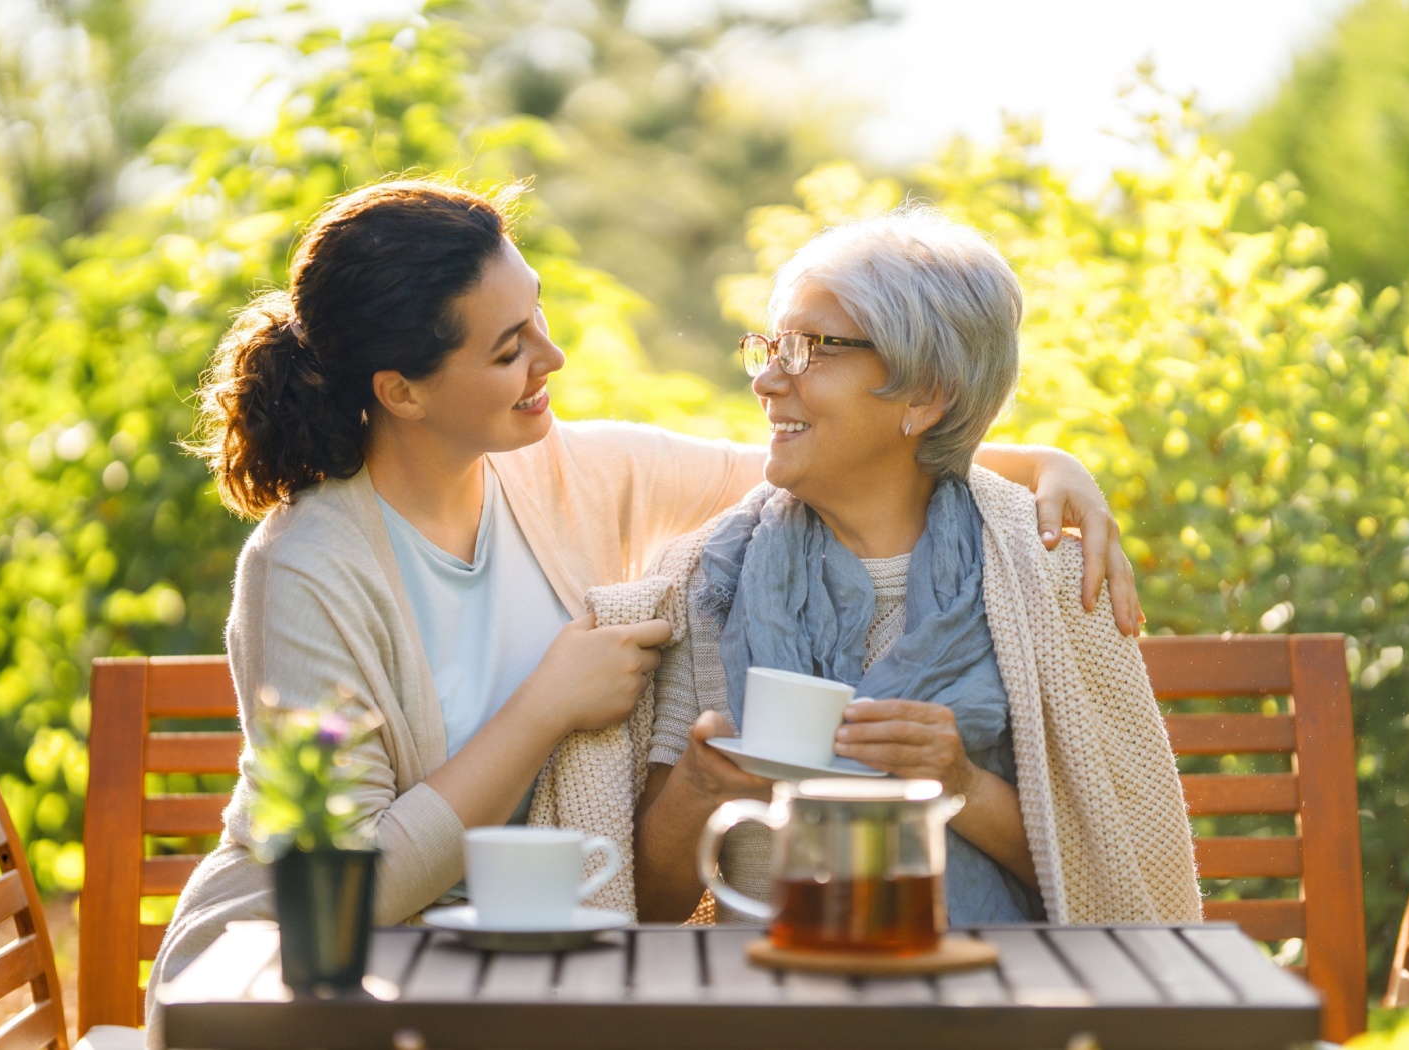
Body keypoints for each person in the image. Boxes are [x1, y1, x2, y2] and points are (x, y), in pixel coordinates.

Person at [144, 178, 1140, 1041]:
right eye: (508, 349)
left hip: (526, 963)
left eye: (536, 314)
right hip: (300, 975)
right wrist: (546, 707)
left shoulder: (571, 470)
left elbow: (820, 454)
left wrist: (1050, 465)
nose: (554, 357)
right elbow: (347, 886)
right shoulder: (311, 568)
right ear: (401, 391)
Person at [635, 206, 1201, 927]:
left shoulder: (1047, 569)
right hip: (779, 1008)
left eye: (811, 349)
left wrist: (956, 781)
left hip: (998, 1007)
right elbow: (649, 908)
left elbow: (1118, 875)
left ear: (926, 395)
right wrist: (696, 786)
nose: (768, 381)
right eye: (772, 347)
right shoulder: (712, 578)